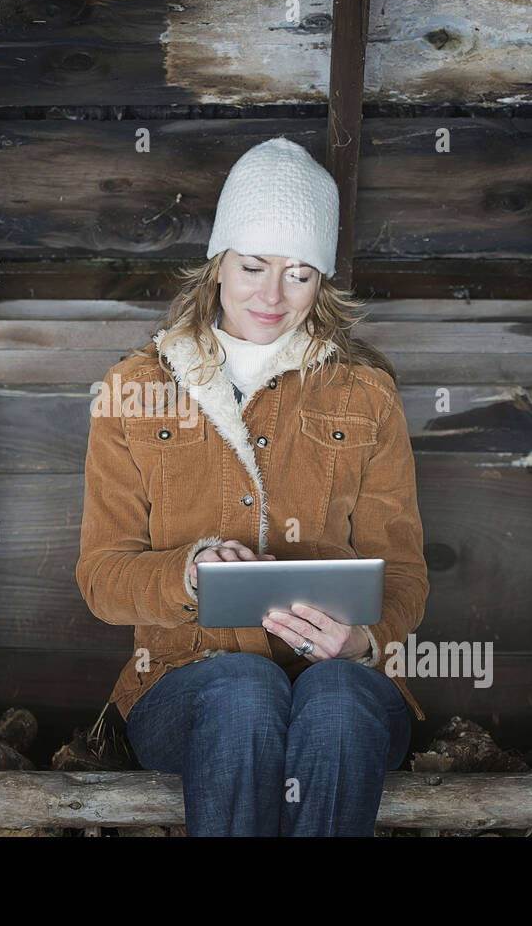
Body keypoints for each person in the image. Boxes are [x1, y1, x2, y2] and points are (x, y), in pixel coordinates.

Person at [76, 136, 429, 836]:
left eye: (299, 273)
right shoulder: (133, 388)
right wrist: (187, 575)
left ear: (321, 280)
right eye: (254, 265)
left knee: (332, 696)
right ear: (218, 263)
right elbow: (102, 576)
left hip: (345, 690)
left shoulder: (367, 393)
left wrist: (364, 640)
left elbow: (408, 576)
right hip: (184, 683)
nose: (272, 295)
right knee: (244, 686)